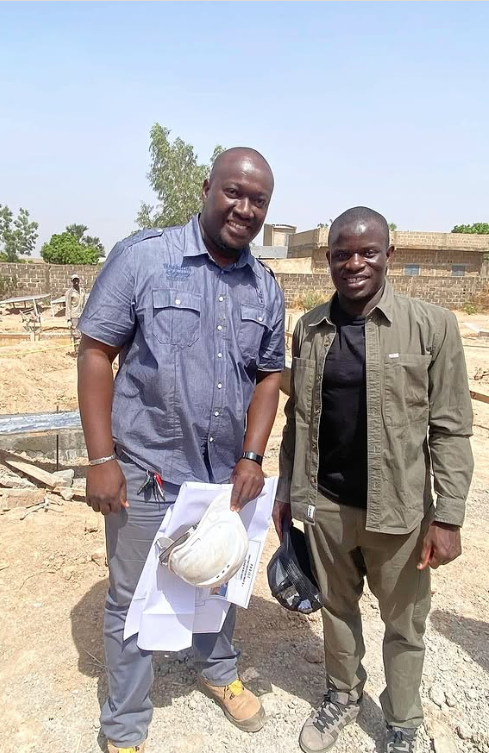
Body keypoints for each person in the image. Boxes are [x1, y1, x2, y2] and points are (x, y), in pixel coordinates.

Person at [77, 147, 285, 753]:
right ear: (206, 188)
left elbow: (269, 374)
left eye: (259, 200)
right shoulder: (144, 258)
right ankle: (125, 725)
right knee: (132, 598)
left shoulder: (264, 286)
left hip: (224, 477)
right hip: (147, 470)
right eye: (234, 192)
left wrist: (253, 455)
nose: (245, 209)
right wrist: (101, 460)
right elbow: (96, 352)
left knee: (219, 579)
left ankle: (218, 670)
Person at [274, 206, 473, 753]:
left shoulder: (432, 326)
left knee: (405, 623)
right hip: (327, 506)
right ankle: (342, 696)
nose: (354, 263)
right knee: (337, 611)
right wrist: (286, 488)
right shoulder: (310, 328)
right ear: (328, 259)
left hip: (401, 512)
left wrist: (448, 516)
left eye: (367, 252)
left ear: (390, 255)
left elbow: (451, 428)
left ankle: (402, 722)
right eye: (342, 254)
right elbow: (297, 419)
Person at [65, 273, 86, 352]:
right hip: (74, 315)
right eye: (74, 280)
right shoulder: (69, 292)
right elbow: (68, 306)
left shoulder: (82, 290)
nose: (76, 282)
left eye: (77, 280)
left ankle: (82, 350)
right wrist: (68, 319)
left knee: (83, 333)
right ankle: (77, 351)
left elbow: (84, 303)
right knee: (76, 333)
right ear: (72, 281)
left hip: (82, 314)